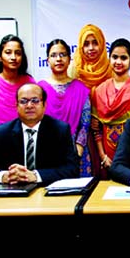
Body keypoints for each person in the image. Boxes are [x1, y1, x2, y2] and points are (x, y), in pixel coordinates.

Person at [0, 83, 79, 187]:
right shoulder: (2, 133)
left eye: (35, 101)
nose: (29, 106)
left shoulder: (60, 130)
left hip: (45, 192)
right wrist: (5, 176)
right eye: (23, 101)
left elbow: (72, 170)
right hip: (13, 194)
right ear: (16, 106)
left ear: (44, 105)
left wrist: (35, 176)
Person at [90, 38, 130, 179]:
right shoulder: (99, 91)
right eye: (115, 57)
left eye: (123, 58)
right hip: (107, 158)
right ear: (109, 59)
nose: (118, 62)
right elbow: (96, 129)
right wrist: (103, 157)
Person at [37, 39, 92, 177]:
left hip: (76, 151)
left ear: (69, 59)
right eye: (53, 55)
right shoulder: (39, 89)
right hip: (47, 150)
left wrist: (78, 149)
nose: (58, 59)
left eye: (63, 55)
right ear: (47, 60)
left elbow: (85, 124)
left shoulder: (80, 89)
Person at [0, 34, 35, 148]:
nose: (13, 57)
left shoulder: (30, 83)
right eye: (8, 52)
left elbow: (36, 117)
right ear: (0, 57)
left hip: (27, 146)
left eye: (18, 53)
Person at [69, 24, 111, 89]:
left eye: (95, 43)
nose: (91, 48)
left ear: (101, 43)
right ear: (81, 47)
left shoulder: (111, 69)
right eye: (86, 44)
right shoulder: (74, 70)